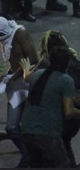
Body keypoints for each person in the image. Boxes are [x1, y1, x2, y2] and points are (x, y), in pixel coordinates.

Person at [0, 16, 38, 168]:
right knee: (12, 128)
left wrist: (12, 78)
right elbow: (16, 61)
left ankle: (30, 157)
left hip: (29, 84)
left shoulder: (20, 34)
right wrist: (8, 75)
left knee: (31, 127)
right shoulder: (5, 39)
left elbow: (34, 61)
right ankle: (28, 154)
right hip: (16, 85)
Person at [20, 46, 80, 168]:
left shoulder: (38, 74)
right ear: (68, 63)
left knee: (38, 165)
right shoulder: (66, 80)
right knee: (62, 165)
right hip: (47, 132)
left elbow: (27, 78)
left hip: (27, 130)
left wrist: (26, 69)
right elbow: (69, 111)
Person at [35, 29, 80, 168]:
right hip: (75, 117)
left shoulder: (45, 68)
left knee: (60, 147)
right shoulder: (73, 60)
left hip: (61, 118)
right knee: (65, 143)